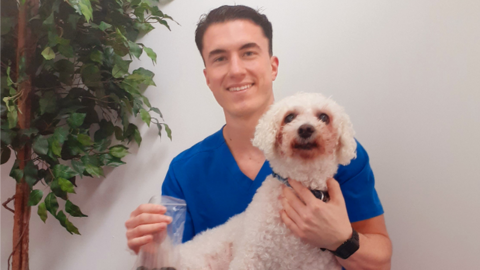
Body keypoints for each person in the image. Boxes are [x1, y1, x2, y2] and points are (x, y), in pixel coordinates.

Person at [125, 5, 392, 269]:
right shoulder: (185, 172)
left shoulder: (337, 153)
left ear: (273, 66)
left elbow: (381, 263)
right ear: (207, 77)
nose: (236, 70)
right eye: (219, 58)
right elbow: (180, 261)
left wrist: (340, 240)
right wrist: (153, 252)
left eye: (248, 53)